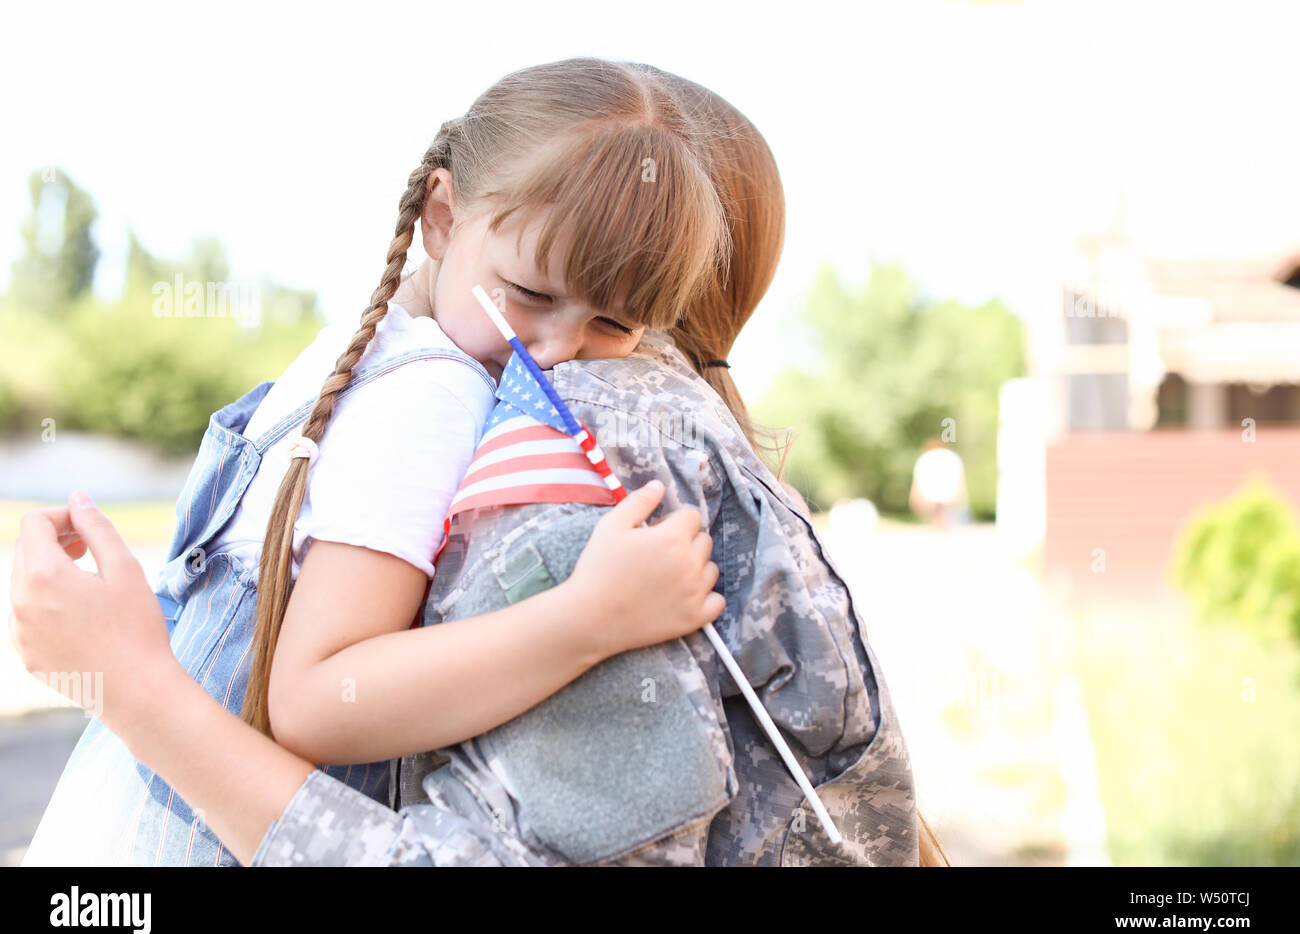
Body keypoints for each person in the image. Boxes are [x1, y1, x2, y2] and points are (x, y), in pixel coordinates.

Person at [13, 65, 951, 866]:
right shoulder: (433, 396)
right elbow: (317, 696)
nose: (552, 350)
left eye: (610, 324)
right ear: (441, 216)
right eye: (532, 294)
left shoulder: (411, 353)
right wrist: (584, 618)